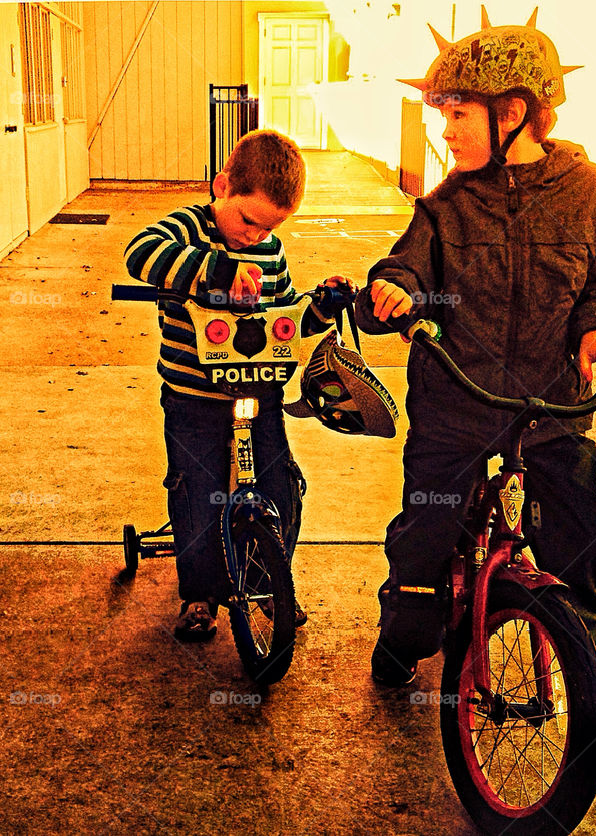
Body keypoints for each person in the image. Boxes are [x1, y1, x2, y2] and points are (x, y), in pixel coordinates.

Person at [355, 10, 596, 694]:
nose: (444, 130)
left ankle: (585, 629)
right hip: (458, 404)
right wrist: (391, 293)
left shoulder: (592, 191)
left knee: (578, 525)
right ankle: (407, 627)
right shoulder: (444, 206)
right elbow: (405, 271)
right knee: (425, 533)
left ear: (513, 112)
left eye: (457, 114)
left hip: (552, 404)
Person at [125, 129, 350, 641]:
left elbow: (287, 316)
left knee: (282, 489)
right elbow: (140, 253)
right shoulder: (190, 229)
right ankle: (201, 595)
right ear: (221, 186)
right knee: (197, 493)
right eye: (248, 220)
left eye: (269, 227)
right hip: (193, 397)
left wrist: (319, 306)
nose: (254, 236)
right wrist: (217, 268)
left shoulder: (271, 251)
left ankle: (270, 584)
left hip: (260, 392)